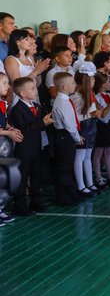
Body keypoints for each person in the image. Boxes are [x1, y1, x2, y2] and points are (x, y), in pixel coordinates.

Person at [9, 77, 52, 215]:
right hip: (24, 149)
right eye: (32, 88)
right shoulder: (17, 110)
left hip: (36, 147)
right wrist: (42, 123)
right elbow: (24, 129)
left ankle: (36, 202)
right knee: (22, 178)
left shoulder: (36, 106)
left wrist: (46, 121)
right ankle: (20, 206)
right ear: (23, 93)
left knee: (36, 177)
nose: (35, 90)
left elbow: (39, 125)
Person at [51, 72, 84, 205]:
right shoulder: (63, 103)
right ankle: (64, 196)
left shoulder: (64, 100)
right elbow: (70, 125)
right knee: (64, 167)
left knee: (65, 166)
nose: (74, 85)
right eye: (72, 83)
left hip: (64, 135)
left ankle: (67, 195)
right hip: (64, 136)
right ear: (64, 87)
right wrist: (77, 137)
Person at [71, 62, 101, 198]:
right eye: (93, 79)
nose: (95, 81)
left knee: (88, 156)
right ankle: (80, 185)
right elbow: (74, 116)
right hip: (82, 128)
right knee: (80, 157)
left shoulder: (89, 95)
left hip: (91, 127)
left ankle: (90, 183)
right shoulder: (76, 96)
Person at [0, 72, 22, 224]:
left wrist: (9, 127)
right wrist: (8, 132)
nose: (8, 86)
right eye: (5, 83)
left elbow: (2, 122)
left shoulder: (2, 104)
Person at [92, 72, 110, 188]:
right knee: (98, 152)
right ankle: (98, 177)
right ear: (102, 84)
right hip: (102, 126)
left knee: (108, 150)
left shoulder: (108, 95)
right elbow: (103, 115)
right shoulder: (97, 97)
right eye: (108, 82)